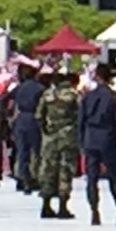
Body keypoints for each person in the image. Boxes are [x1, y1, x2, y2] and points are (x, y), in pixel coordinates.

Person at [78, 65, 116, 226]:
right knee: (114, 176)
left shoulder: (87, 97)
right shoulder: (113, 97)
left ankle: (94, 211)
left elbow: (81, 121)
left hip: (90, 136)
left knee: (92, 178)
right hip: (107, 137)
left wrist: (81, 140)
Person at [36, 72, 80, 220]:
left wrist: (46, 131)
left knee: (48, 169)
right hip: (68, 136)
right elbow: (80, 115)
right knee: (66, 169)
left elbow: (39, 116)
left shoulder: (47, 94)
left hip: (50, 137)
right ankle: (63, 206)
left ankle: (46, 205)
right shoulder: (73, 95)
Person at [7, 61, 44, 193]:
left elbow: (6, 101)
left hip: (20, 118)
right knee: (36, 151)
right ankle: (34, 178)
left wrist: (9, 117)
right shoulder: (40, 88)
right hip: (34, 118)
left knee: (22, 151)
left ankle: (22, 178)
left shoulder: (18, 88)